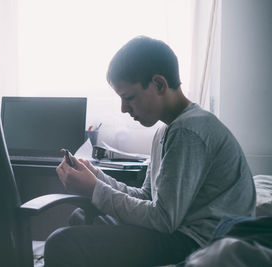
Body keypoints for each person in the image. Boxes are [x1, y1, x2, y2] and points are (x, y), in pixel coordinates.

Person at [44, 36, 256, 267]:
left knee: (62, 243)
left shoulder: (189, 131)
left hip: (199, 242)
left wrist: (95, 190)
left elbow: (163, 219)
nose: (123, 108)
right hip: (178, 231)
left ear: (159, 84)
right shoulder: (166, 130)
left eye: (129, 97)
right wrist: (98, 178)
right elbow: (148, 198)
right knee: (83, 216)